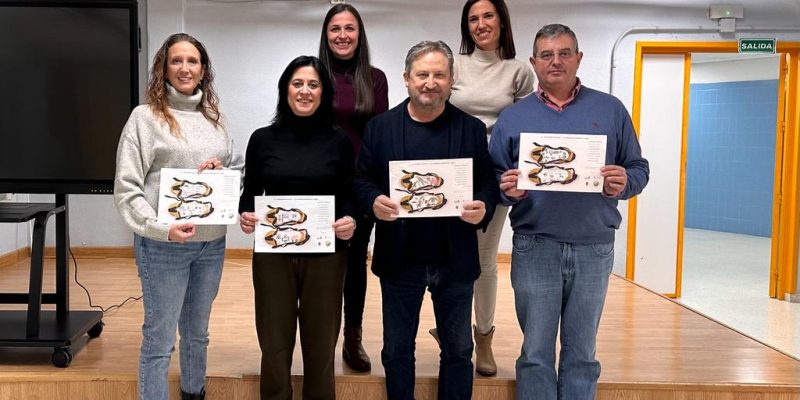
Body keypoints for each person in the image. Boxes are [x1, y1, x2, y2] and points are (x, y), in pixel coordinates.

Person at [489, 24, 650, 400]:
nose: (556, 61)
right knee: (535, 354)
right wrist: (506, 188)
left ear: (579, 58)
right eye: (546, 55)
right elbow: (493, 178)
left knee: (582, 354)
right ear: (533, 63)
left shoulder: (610, 109)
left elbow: (638, 168)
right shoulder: (513, 117)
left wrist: (624, 181)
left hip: (593, 247)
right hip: (535, 246)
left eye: (564, 53)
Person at [354, 40, 498, 400]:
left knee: (459, 353)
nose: (430, 82)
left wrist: (483, 203)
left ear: (451, 80)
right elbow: (361, 180)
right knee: (397, 352)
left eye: (439, 75)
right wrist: (373, 201)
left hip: (454, 260)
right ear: (406, 78)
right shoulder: (380, 128)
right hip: (400, 261)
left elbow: (487, 181)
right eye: (422, 74)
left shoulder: (471, 129)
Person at [114, 33, 241, 400]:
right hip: (163, 246)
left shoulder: (214, 119)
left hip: (212, 245)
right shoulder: (145, 118)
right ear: (163, 69)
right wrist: (159, 228)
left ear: (203, 71)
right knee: (160, 337)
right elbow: (127, 188)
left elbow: (237, 171)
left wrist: (224, 172)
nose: (185, 68)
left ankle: (193, 393)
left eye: (193, 61)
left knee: (197, 333)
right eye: (176, 61)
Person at [238, 55, 356, 400]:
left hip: (326, 255)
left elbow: (348, 193)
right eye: (297, 83)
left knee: (321, 348)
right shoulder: (262, 139)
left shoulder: (339, 141)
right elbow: (250, 194)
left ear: (324, 93)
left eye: (313, 84)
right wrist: (246, 215)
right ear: (285, 89)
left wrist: (349, 219)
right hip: (273, 255)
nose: (305, 91)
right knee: (274, 345)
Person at [431, 0, 534, 377]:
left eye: (488, 16)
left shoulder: (519, 71)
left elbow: (526, 128)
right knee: (443, 258)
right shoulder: (452, 66)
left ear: (502, 21)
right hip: (449, 176)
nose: (480, 24)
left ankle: (483, 336)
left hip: (491, 178)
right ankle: (449, 329)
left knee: (484, 261)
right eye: (473, 19)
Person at [318, 3, 389, 373]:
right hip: (320, 186)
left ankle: (352, 337)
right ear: (325, 35)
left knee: (355, 264)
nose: (342, 35)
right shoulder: (313, 75)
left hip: (360, 187)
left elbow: (381, 137)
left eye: (349, 28)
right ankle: (321, 339)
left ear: (359, 35)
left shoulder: (374, 79)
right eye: (335, 28)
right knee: (322, 264)